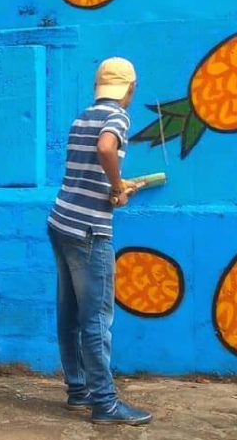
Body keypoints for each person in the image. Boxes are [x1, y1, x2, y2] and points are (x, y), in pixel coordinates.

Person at [46, 57, 152, 426]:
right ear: (131, 88)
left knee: (70, 314)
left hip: (62, 221)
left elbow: (84, 176)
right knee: (96, 319)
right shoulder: (118, 118)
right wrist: (119, 185)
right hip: (89, 232)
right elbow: (106, 150)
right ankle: (104, 403)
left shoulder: (82, 117)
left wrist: (116, 189)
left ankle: (79, 389)